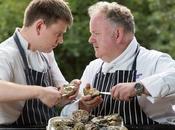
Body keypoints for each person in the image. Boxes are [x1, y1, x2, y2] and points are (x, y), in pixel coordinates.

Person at [61, 1, 175, 125]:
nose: (90, 40)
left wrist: (138, 87)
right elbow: (64, 118)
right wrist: (83, 106)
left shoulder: (154, 61)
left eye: (96, 33)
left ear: (117, 34)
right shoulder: (93, 68)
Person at [0, 0, 81, 128]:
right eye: (58, 34)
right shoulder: (5, 53)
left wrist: (70, 93)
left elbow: (59, 95)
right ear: (39, 26)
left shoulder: (47, 53)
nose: (61, 41)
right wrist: (40, 92)